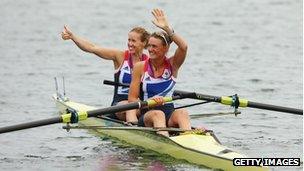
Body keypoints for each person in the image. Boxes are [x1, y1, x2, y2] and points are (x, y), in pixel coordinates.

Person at [61, 25, 150, 121]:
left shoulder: (149, 62)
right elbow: (92, 48)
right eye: (129, 40)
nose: (130, 43)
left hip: (140, 105)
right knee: (130, 106)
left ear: (143, 43)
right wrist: (73, 37)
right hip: (119, 106)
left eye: (133, 41)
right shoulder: (120, 56)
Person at [127, 9, 191, 136]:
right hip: (148, 114)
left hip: (169, 112)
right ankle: (165, 143)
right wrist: (149, 102)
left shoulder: (173, 65)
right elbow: (132, 99)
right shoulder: (140, 67)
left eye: (154, 46)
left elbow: (183, 47)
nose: (150, 49)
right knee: (158, 114)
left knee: (183, 113)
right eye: (149, 46)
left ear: (165, 48)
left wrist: (167, 29)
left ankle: (191, 141)